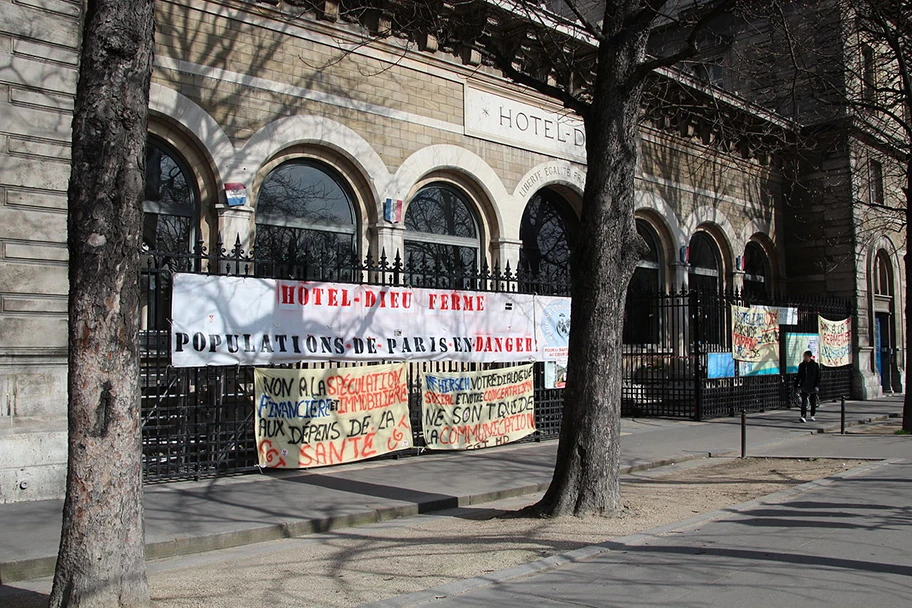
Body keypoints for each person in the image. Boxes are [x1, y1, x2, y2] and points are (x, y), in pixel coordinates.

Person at [794, 350, 821, 422]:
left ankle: (812, 414)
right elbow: (799, 376)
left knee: (813, 401)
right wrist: (796, 385)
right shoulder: (802, 365)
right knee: (804, 401)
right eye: (804, 356)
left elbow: (818, 376)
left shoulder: (815, 365)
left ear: (809, 357)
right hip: (804, 385)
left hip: (812, 385)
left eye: (805, 356)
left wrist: (817, 385)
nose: (804, 358)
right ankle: (803, 416)